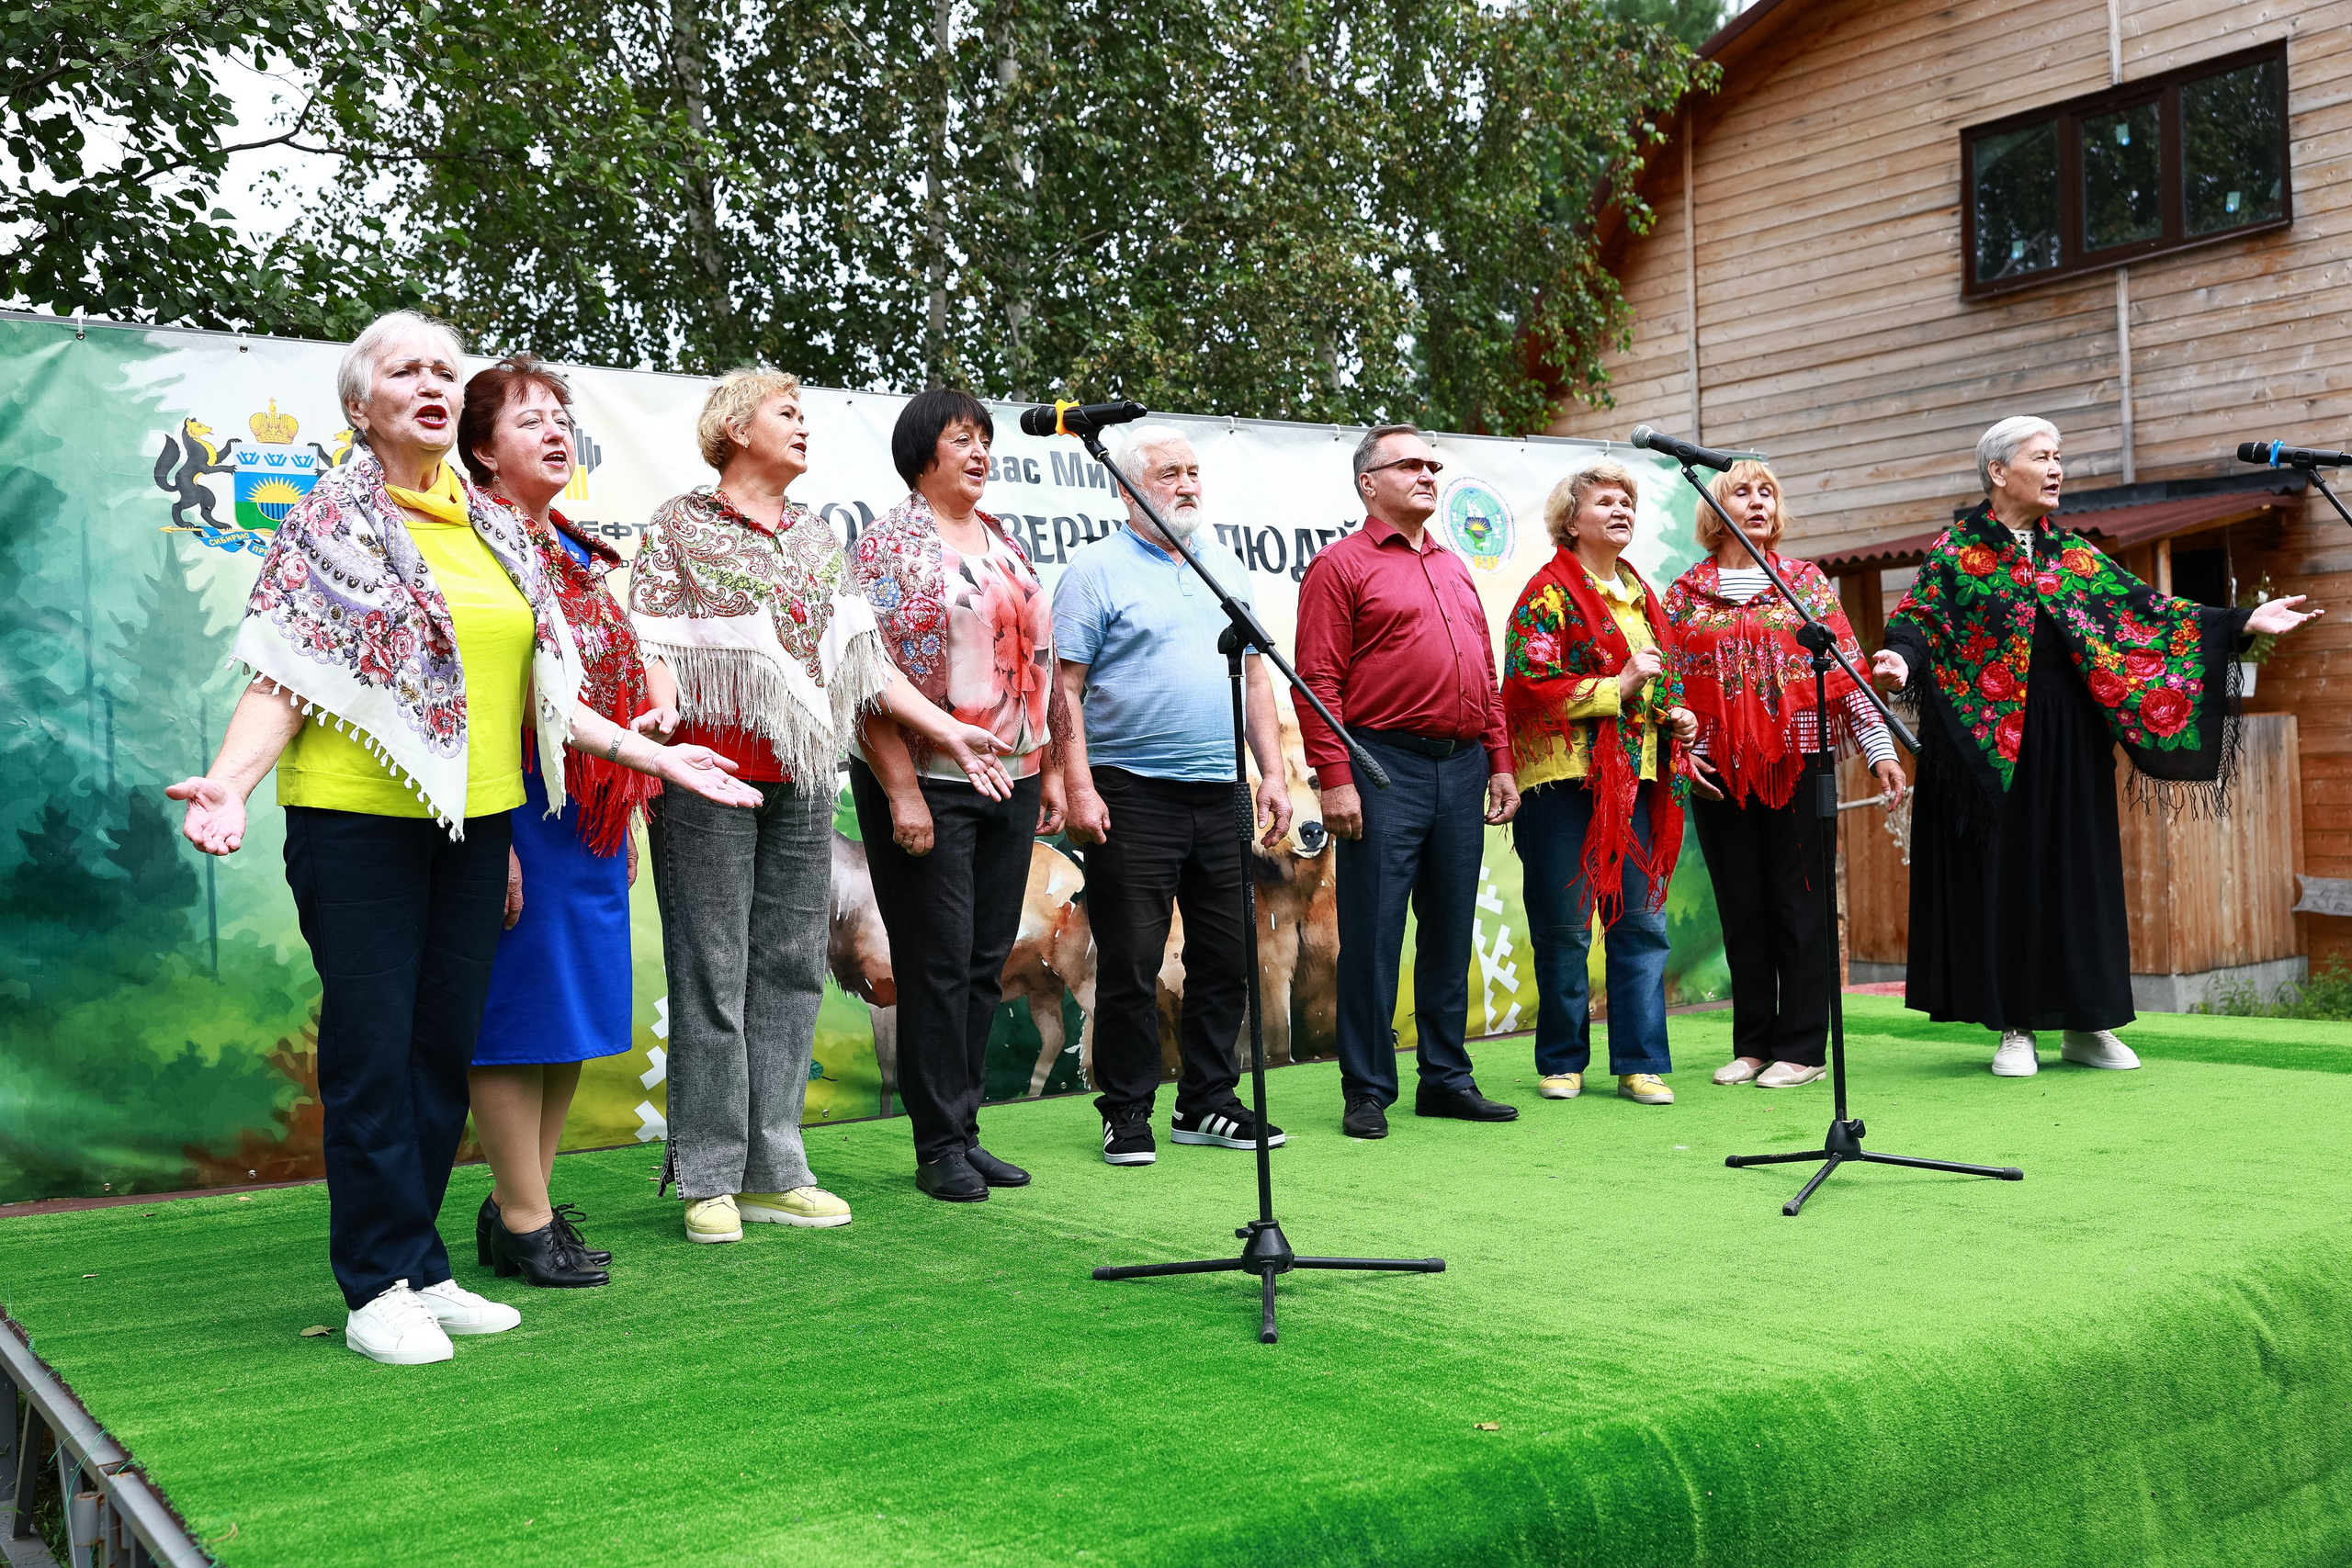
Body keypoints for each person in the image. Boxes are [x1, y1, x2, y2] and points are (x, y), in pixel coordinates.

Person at [167, 310, 763, 1367]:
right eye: (407, 371)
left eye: (447, 368)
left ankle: (423, 1267)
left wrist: (653, 755)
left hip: (475, 822)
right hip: (359, 823)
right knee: (373, 1057)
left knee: (442, 1050)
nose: (434, 384)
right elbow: (284, 677)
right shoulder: (330, 527)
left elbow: (547, 690)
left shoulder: (489, 530)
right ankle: (372, 1289)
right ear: (363, 404)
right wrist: (228, 784)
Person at [630, 369, 1012, 1242]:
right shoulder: (680, 526)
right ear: (734, 427)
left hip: (802, 776)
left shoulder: (812, 536)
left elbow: (865, 665)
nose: (804, 427)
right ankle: (711, 1176)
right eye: (786, 413)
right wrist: (656, 729)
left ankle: (776, 1166)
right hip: (707, 775)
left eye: (805, 415)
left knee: (793, 969)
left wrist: (947, 731)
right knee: (711, 971)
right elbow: (653, 639)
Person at [1873, 416, 2322, 1076]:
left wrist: (2239, 622)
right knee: (2011, 880)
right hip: (1993, 748)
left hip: (2070, 744)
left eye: (2060, 456)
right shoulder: (1956, 553)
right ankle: (2016, 1026)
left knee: (2080, 879)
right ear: (1999, 472)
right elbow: (1915, 624)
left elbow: (2147, 615)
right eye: (2041, 457)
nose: (2057, 468)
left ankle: (2089, 1022)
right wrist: (1901, 665)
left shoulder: (2074, 557)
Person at [458, 355, 679, 1288]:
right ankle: (523, 1215)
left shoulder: (575, 553)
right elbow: (470, 693)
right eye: (528, 420)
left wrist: (652, 707)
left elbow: (612, 663)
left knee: (574, 1020)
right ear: (478, 451)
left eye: (561, 416)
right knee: (515, 1019)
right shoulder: (472, 548)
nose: (555, 432)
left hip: (589, 806)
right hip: (516, 805)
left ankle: (526, 1204)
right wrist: (493, 835)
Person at [1051, 423, 1295, 1167]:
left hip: (1220, 790)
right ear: (1126, 489)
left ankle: (1208, 1101)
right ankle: (1126, 1109)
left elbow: (1255, 676)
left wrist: (1273, 772)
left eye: (1193, 471)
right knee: (1132, 959)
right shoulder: (1094, 571)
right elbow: (1065, 689)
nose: (1188, 484)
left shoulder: (1225, 568)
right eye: (1169, 474)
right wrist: (1080, 787)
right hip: (1130, 794)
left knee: (1226, 955)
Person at [847, 389, 1064, 1202]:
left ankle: (965, 1131)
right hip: (930, 783)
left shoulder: (1002, 540)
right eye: (959, 439)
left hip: (1009, 775)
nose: (978, 452)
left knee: (981, 963)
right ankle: (936, 1144)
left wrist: (1046, 765)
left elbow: (1038, 663)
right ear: (920, 456)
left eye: (983, 439)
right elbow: (864, 682)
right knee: (936, 966)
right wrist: (902, 789)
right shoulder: (889, 549)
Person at [1295, 424, 1521, 1140]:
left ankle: (1447, 1079)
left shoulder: (1454, 566)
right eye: (1410, 464)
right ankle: (1367, 1087)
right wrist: (1336, 777)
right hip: (1379, 766)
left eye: (1432, 463)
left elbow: (1485, 678)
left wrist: (1502, 760)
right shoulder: (1340, 566)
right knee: (1373, 933)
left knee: (1451, 930)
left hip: (1461, 765)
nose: (1428, 473)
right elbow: (1318, 681)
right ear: (1370, 482)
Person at [1667, 461, 1905, 1090]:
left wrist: (1881, 748)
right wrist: (1679, 751)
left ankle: (1802, 1047)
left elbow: (1847, 671)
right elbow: (1668, 686)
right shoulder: (1684, 593)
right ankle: (1752, 1043)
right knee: (1740, 907)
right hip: (1717, 768)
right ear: (1714, 510)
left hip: (1799, 762)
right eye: (1741, 492)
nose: (1757, 502)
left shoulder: (1804, 584)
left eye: (1766, 492)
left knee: (1800, 905)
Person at [1500, 460, 1697, 1107]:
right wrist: (1619, 687)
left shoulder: (1643, 595)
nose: (1621, 511)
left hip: (1637, 780)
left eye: (1627, 503)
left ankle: (1640, 1062)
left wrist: (1676, 715)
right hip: (1563, 783)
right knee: (1564, 926)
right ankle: (1562, 1060)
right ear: (1571, 519)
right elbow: (1525, 688)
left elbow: (1656, 682)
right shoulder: (1546, 593)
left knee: (1640, 922)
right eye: (1605, 502)